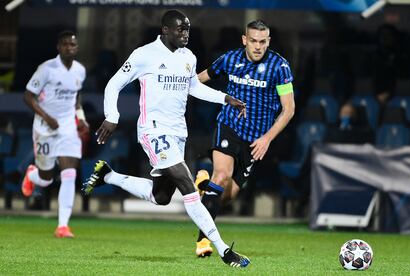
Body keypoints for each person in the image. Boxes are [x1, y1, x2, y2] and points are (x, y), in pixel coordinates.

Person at [81, 10, 250, 268]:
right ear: (165, 30)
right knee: (187, 184)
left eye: (188, 29)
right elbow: (113, 84)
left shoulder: (188, 57)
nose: (186, 34)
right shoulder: (144, 55)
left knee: (160, 196)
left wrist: (224, 98)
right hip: (153, 130)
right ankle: (224, 250)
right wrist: (112, 116)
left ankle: (108, 175)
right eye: (181, 29)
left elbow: (193, 87)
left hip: (178, 133)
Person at [193, 20, 295, 257]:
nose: (258, 46)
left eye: (263, 42)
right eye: (253, 41)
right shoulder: (230, 59)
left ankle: (205, 185)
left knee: (226, 198)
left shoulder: (279, 67)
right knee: (222, 174)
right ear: (244, 40)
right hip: (229, 126)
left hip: (255, 141)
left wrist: (267, 139)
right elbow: (199, 80)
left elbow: (288, 109)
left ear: (268, 41)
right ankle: (203, 242)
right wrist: (173, 89)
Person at [21, 30, 89, 238]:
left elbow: (76, 96)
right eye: (66, 45)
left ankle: (62, 225)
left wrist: (81, 117)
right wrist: (47, 116)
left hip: (68, 126)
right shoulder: (47, 69)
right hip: (44, 128)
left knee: (70, 173)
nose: (70, 48)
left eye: (73, 45)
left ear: (77, 48)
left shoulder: (80, 70)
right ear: (58, 47)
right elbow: (28, 96)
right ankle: (32, 174)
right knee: (46, 178)